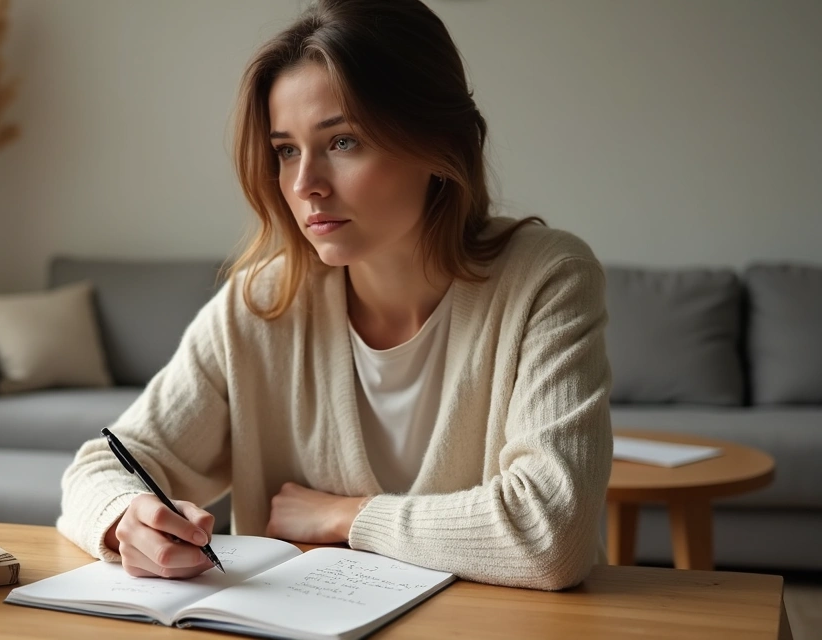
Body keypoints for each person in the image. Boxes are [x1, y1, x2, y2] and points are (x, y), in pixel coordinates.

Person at [57, 0, 612, 591]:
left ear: (437, 143)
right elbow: (103, 465)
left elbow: (553, 533)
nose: (304, 185)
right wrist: (125, 520)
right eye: (286, 150)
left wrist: (347, 515)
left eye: (342, 142)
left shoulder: (547, 279)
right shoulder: (261, 305)